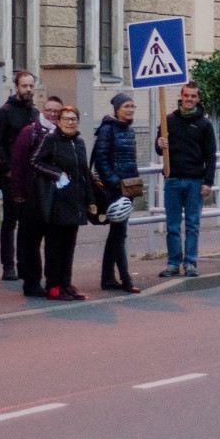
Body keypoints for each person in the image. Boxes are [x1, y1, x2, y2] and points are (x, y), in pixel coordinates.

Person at [29, 106, 97, 301]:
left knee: (69, 245)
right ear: (58, 122)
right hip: (56, 201)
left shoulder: (80, 142)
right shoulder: (51, 140)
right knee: (55, 246)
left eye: (73, 119)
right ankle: (53, 286)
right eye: (66, 119)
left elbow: (85, 173)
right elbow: (35, 161)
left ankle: (66, 283)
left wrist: (90, 201)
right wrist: (57, 173)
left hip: (75, 202)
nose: (70, 122)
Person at [155, 81, 217, 278]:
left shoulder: (205, 125)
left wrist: (208, 182)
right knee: (172, 225)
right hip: (172, 180)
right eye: (186, 95)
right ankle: (173, 263)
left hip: (194, 181)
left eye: (193, 96)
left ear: (198, 99)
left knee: (192, 225)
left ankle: (190, 262)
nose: (189, 99)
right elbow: (159, 149)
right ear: (180, 96)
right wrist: (159, 143)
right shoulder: (168, 121)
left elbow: (211, 155)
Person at [11, 95, 63, 297]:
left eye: (56, 111)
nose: (52, 114)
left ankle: (54, 282)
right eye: (48, 110)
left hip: (56, 197)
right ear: (42, 110)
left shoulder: (64, 134)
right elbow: (18, 164)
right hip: (32, 196)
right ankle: (32, 282)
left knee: (54, 242)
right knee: (30, 243)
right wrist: (18, 193)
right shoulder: (29, 132)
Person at [0, 70, 38, 281]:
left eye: (31, 86)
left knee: (29, 222)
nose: (28, 90)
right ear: (16, 87)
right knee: (10, 221)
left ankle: (24, 263)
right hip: (11, 175)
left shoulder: (35, 113)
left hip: (32, 176)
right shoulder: (5, 111)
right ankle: (8, 266)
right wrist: (7, 168)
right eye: (24, 86)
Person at [93, 92, 141, 294]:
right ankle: (126, 279)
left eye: (132, 106)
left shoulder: (129, 130)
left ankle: (107, 278)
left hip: (127, 188)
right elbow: (101, 160)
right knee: (120, 234)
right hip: (115, 190)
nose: (130, 110)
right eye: (126, 106)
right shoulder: (107, 130)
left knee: (116, 234)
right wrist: (115, 183)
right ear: (117, 109)